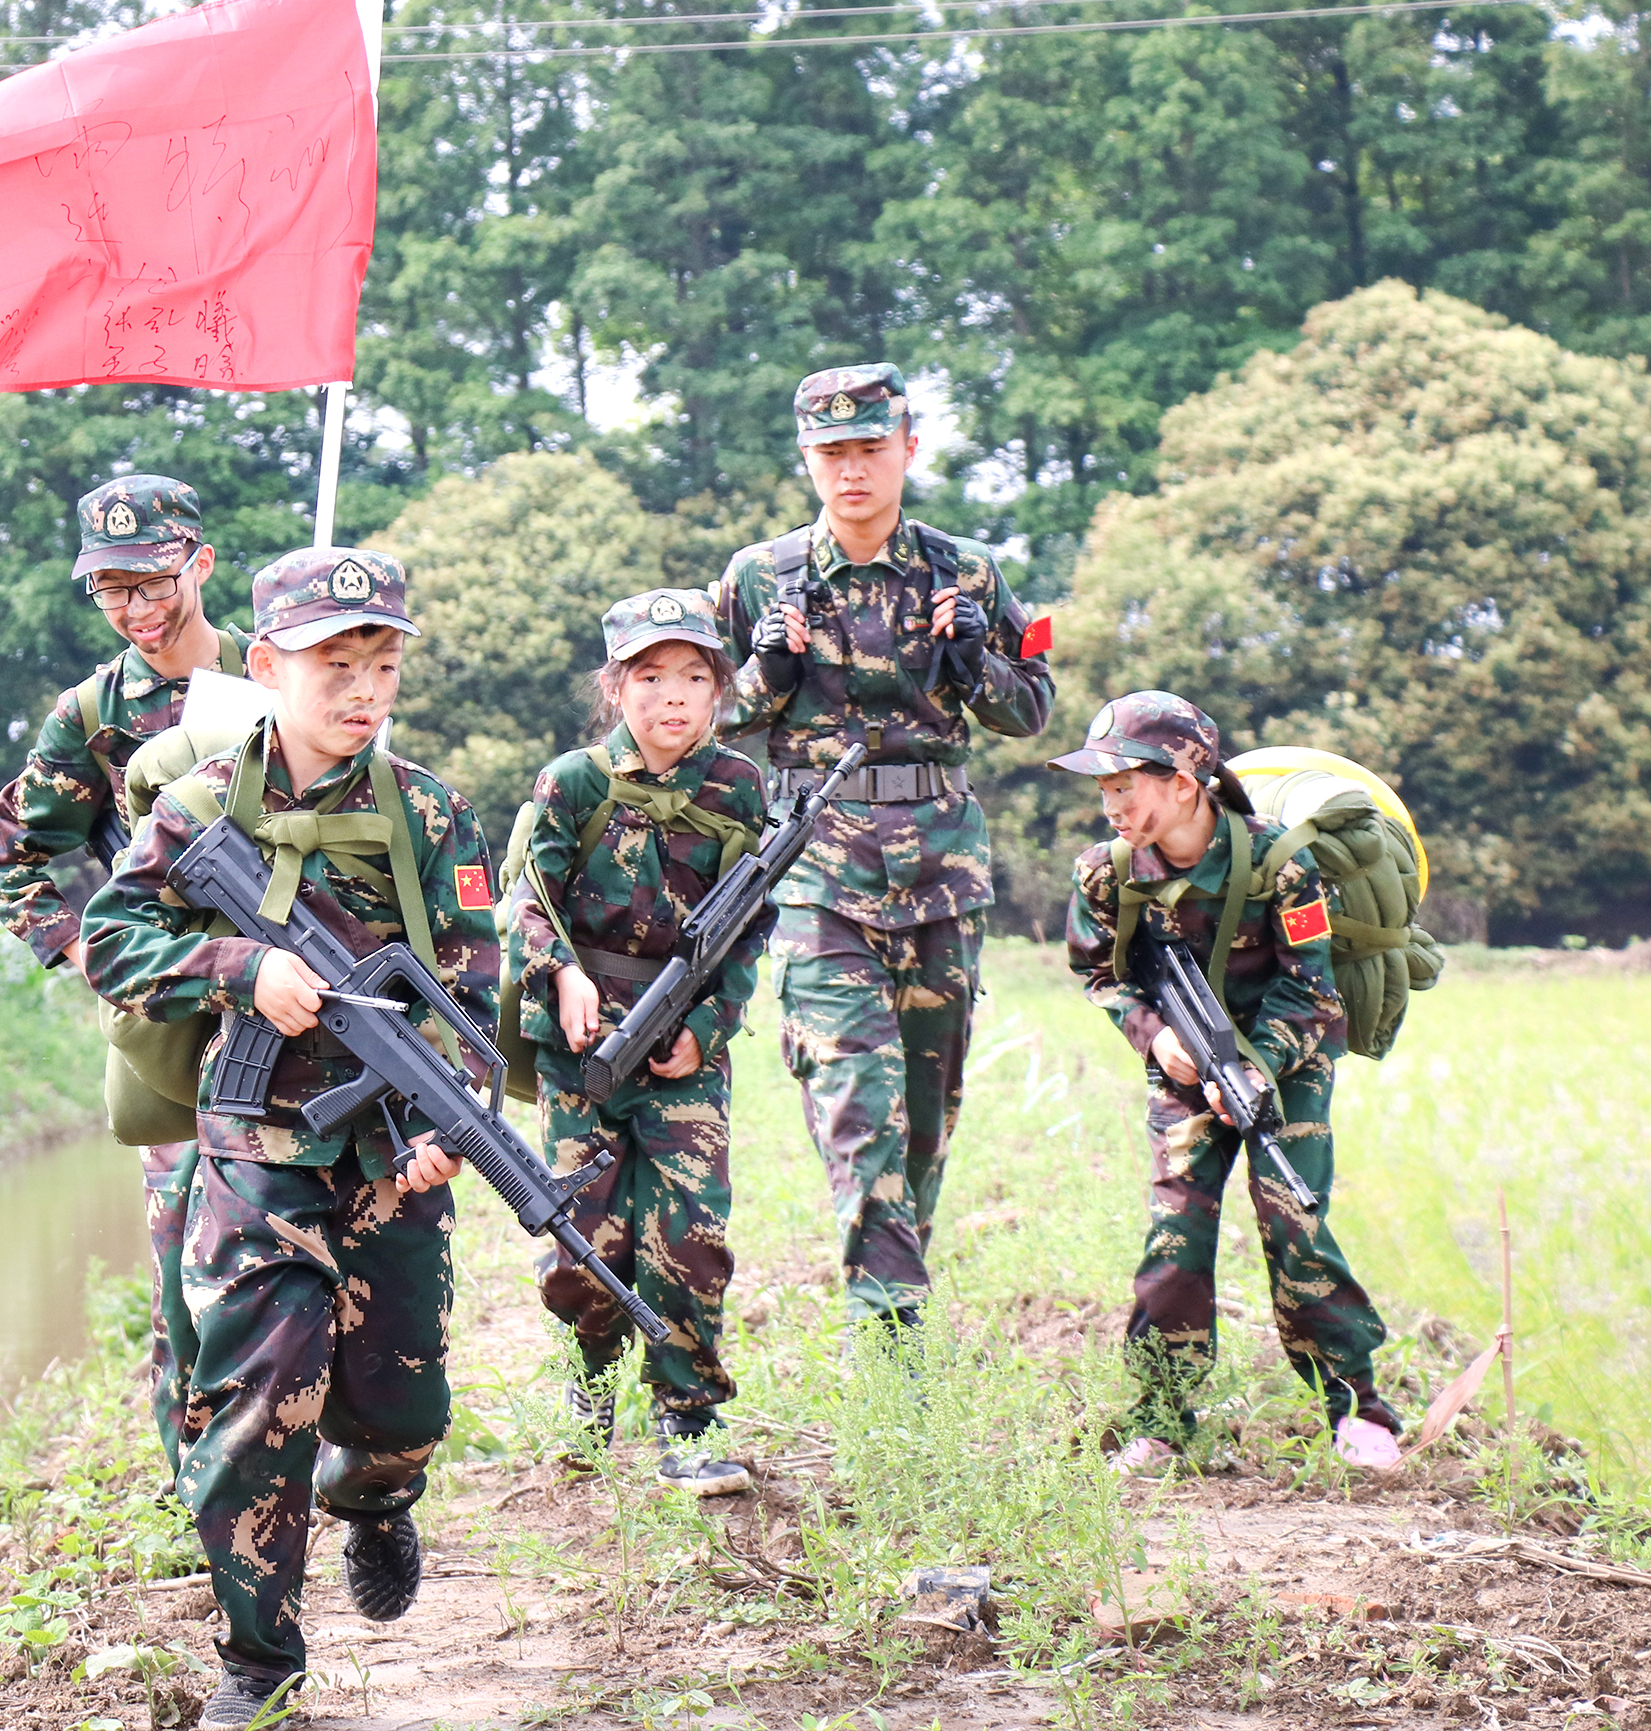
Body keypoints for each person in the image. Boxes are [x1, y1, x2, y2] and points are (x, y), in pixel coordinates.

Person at [81, 547, 498, 1731]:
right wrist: (241, 963)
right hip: (253, 1143)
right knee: (254, 1398)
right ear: (266, 665)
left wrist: (442, 1120)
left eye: (382, 663)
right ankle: (260, 1660)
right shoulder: (202, 806)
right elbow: (113, 939)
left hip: (386, 1158)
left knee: (400, 1406)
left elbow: (473, 984)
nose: (363, 688)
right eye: (335, 664)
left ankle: (375, 1500)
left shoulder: (430, 813)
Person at [715, 365, 1054, 1339]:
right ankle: (892, 1327)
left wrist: (975, 664)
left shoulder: (971, 570)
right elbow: (702, 715)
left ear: (909, 445)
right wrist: (765, 675)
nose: (851, 469)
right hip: (818, 870)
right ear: (806, 457)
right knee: (854, 1095)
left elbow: (1031, 708)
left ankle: (898, 1273)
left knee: (924, 1103)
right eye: (832, 452)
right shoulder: (757, 577)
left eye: (871, 447)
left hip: (943, 867)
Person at [0, 475, 253, 1478]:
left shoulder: (281, 676)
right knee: (185, 1266)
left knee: (319, 1242)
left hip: (294, 1003)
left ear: (199, 563)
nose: (134, 606)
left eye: (150, 579)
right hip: (173, 1021)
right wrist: (88, 947)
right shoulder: (91, 714)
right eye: (109, 589)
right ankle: (198, 1489)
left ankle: (327, 1463)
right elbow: (11, 855)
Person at [1049, 690, 1405, 1476]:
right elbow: (1097, 975)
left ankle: (1358, 1410)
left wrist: (1254, 1065)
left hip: (1287, 1061)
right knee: (1175, 1236)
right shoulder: (1105, 875)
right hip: (1184, 1070)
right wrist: (1158, 1037)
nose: (1110, 805)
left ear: (1184, 780)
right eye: (1102, 790)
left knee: (1294, 1224)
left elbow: (1312, 990)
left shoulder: (1280, 864)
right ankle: (1162, 1420)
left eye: (1124, 786)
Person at [507, 588, 770, 1496]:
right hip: (581, 1044)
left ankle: (687, 1418)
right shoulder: (572, 782)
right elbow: (526, 904)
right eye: (652, 676)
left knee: (691, 1231)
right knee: (585, 1240)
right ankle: (589, 1390)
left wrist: (705, 1028)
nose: (673, 697)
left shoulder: (737, 786)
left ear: (719, 693)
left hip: (684, 1047)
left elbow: (746, 928)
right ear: (616, 686)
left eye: (695, 678)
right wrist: (564, 977)